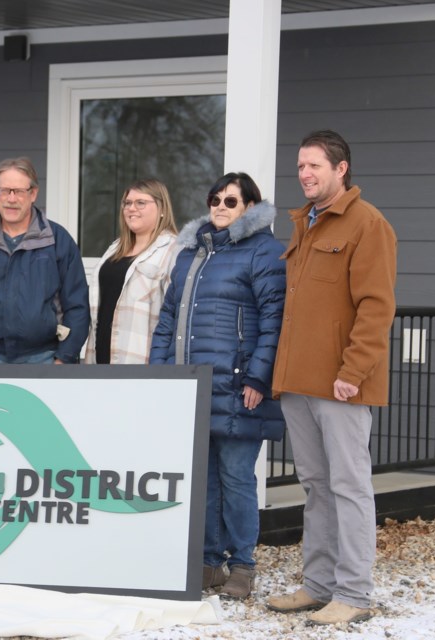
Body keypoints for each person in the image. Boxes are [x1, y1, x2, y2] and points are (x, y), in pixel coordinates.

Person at [266, 130, 397, 626]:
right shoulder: (306, 223)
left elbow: (376, 307)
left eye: (315, 165)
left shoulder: (368, 224)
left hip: (341, 384)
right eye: (301, 166)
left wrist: (353, 372)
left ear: (341, 169)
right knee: (316, 487)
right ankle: (318, 586)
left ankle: (354, 593)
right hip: (299, 382)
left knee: (349, 486)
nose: (305, 174)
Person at [150, 172, 286, 599]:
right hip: (194, 386)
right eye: (215, 199)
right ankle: (209, 562)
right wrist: (162, 375)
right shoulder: (192, 252)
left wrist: (260, 378)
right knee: (203, 480)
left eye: (231, 201)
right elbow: (168, 318)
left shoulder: (264, 251)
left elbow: (274, 319)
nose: (220, 207)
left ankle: (243, 564)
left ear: (249, 206)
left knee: (236, 478)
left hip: (240, 386)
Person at [0, 157, 90, 364]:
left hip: (47, 358)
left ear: (33, 194)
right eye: (5, 190)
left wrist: (64, 358)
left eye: (19, 191)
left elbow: (77, 305)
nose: (11, 199)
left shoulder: (57, 240)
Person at [83, 179, 179, 365]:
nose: (131, 208)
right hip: (100, 358)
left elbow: (174, 316)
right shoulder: (115, 248)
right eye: (127, 203)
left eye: (140, 203)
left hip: (140, 360)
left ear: (162, 209)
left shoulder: (173, 250)